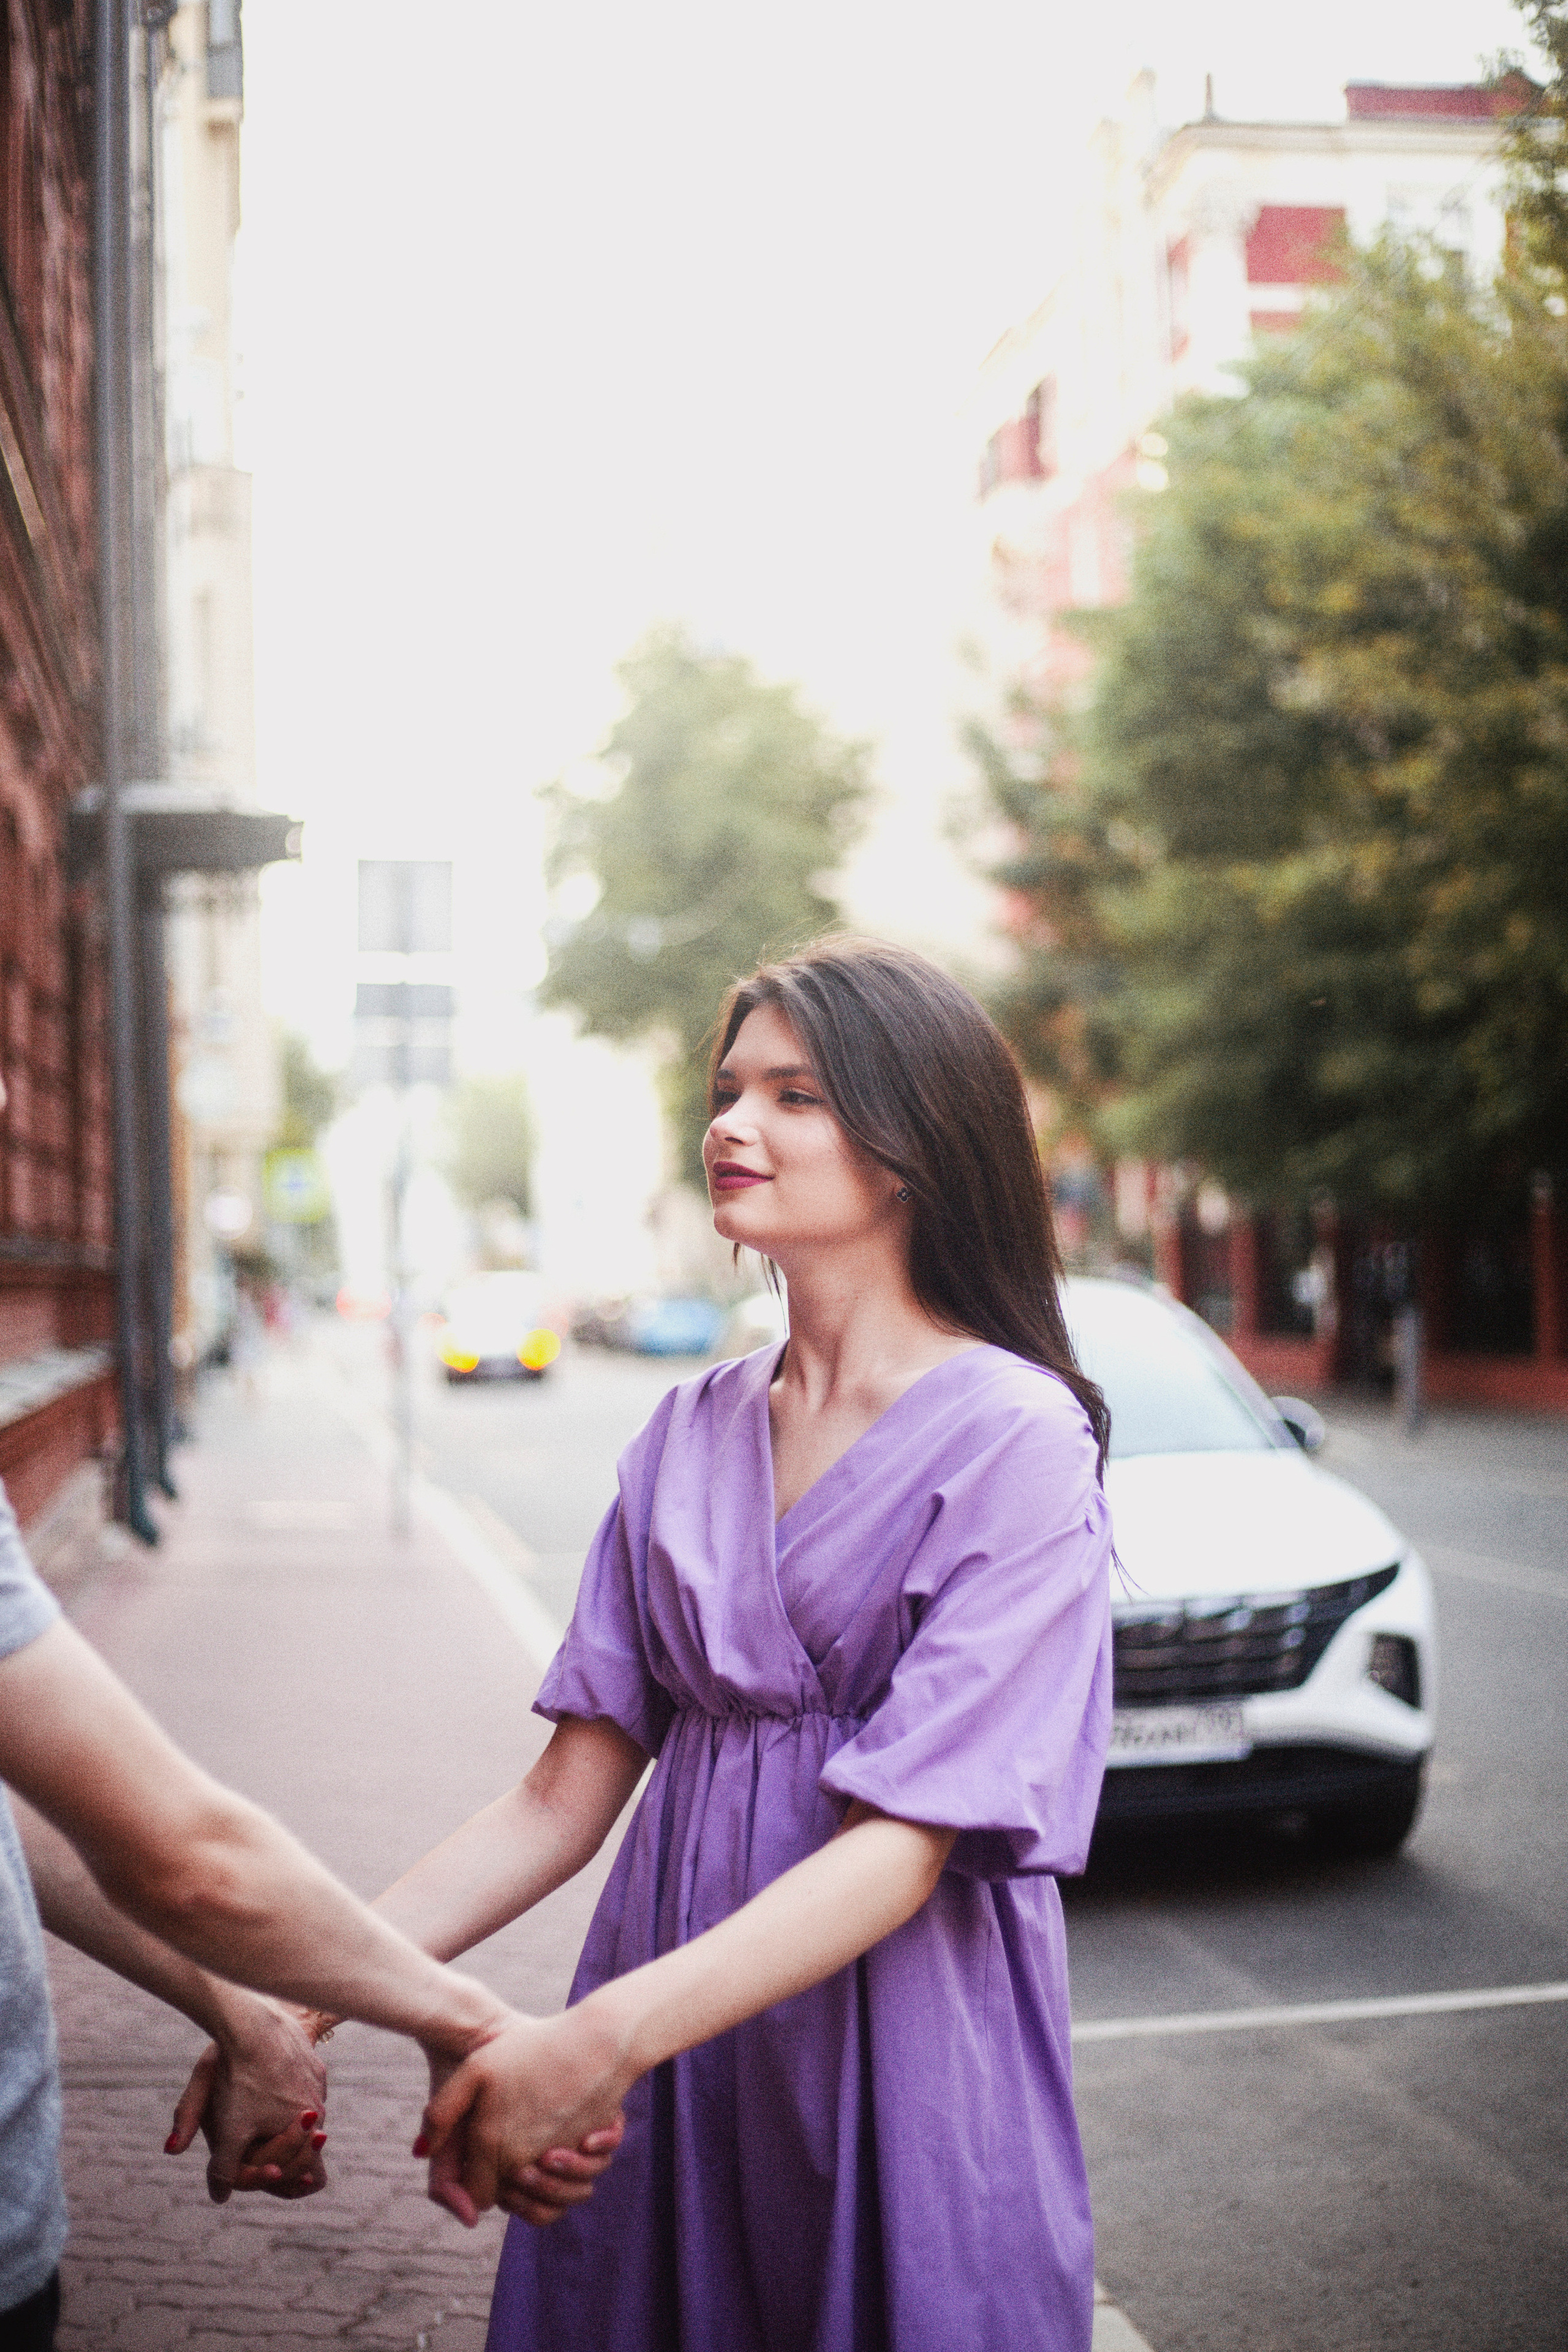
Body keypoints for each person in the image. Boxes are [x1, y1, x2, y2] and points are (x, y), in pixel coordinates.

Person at [192, 937, 1114, 2352]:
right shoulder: (686, 1431)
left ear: (915, 1143)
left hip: (897, 2054)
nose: (731, 1124)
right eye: (727, 1089)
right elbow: (556, 1802)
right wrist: (304, 1999)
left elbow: (906, 1840)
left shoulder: (1017, 1438)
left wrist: (597, 2040)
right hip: (670, 2051)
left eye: (794, 1095)